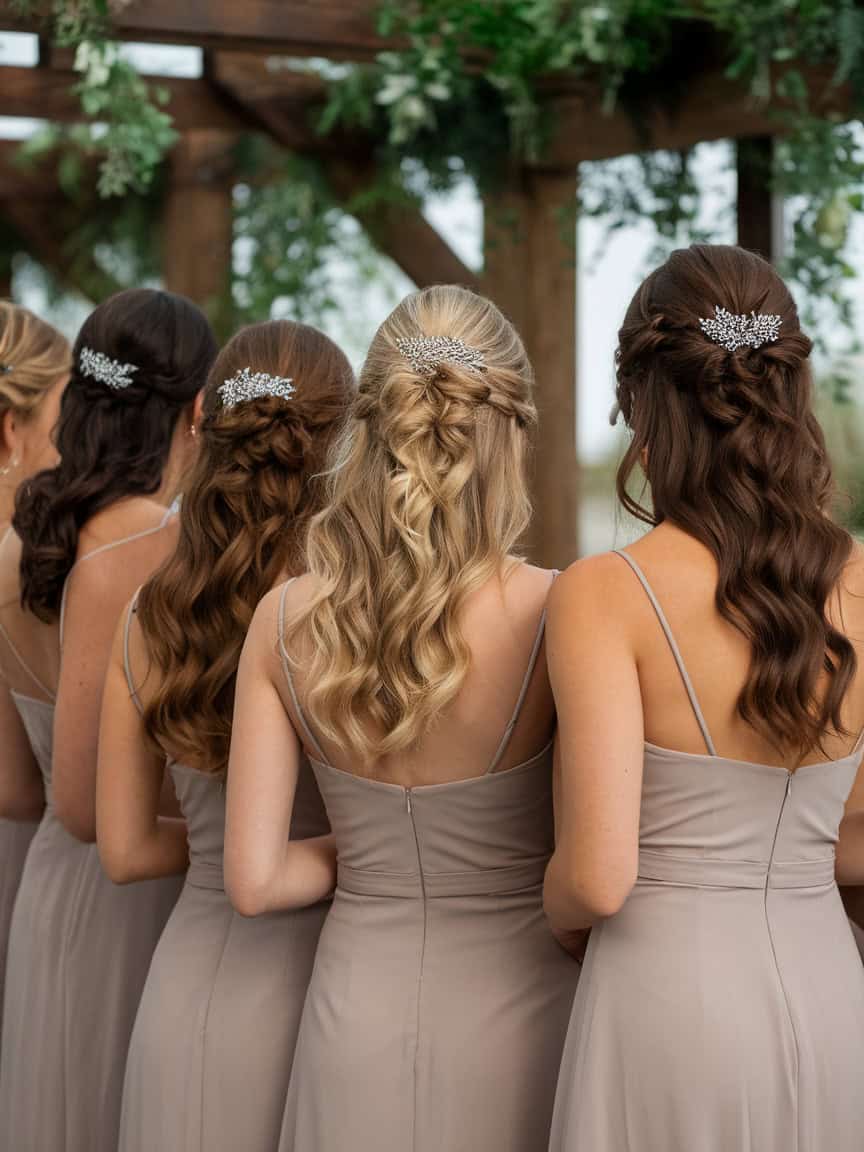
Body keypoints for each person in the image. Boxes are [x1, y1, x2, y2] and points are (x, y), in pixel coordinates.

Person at [226, 285, 580, 1152]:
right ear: (509, 434)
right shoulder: (555, 611)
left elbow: (256, 881)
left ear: (369, 426)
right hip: (521, 1016)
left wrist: (378, 852)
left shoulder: (281, 621)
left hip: (352, 1018)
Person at [544, 244, 864, 1152]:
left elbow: (597, 879)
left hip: (665, 1008)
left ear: (646, 403)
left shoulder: (605, 592)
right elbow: (857, 841)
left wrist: (544, 902)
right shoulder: (861, 582)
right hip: (833, 995)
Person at [97, 320, 355, 1152]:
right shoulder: (347, 617)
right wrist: (361, 852)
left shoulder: (150, 613)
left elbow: (126, 849)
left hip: (185, 991)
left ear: (207, 421)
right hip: (317, 995)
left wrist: (216, 846)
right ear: (345, 439)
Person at [0, 288, 216, 1152]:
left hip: (48, 893)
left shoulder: (23, 542)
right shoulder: (160, 552)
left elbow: (20, 790)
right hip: (135, 897)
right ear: (199, 410)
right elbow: (95, 812)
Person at [0, 302, 70, 1062]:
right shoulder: (35, 558)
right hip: (26, 856)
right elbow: (15, 790)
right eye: (64, 412)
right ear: (12, 427)